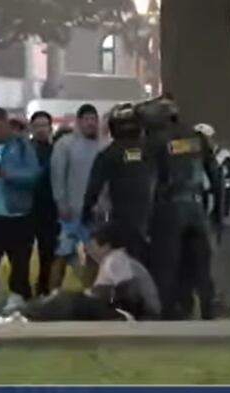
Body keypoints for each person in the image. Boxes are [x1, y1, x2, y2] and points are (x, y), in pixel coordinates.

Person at [138, 95, 222, 321]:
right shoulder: (196, 137)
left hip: (169, 208)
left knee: (168, 264)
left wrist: (145, 220)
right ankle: (208, 309)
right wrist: (218, 213)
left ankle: (170, 314)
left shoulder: (155, 140)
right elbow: (216, 175)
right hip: (196, 207)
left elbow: (149, 182)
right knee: (200, 264)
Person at [20, 222, 160, 322]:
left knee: (69, 299)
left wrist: (95, 298)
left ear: (106, 246)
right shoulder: (115, 260)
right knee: (67, 298)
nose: (89, 250)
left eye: (92, 245)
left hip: (137, 315)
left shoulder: (115, 259)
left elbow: (129, 295)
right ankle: (29, 311)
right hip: (132, 312)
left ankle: (26, 312)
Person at [0, 107, 41, 315]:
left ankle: (17, 295)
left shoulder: (22, 145)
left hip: (18, 213)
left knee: (20, 258)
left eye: (0, 127)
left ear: (7, 126)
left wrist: (7, 174)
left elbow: (33, 175)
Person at [83, 102, 155, 263]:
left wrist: (85, 215)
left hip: (121, 221)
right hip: (152, 220)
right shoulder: (151, 150)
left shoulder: (109, 154)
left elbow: (93, 189)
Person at [50, 103, 102, 290]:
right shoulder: (65, 144)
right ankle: (53, 293)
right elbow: (57, 176)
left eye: (93, 119)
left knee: (94, 255)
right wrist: (61, 203)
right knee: (62, 254)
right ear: (79, 122)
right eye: (87, 119)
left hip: (95, 211)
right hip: (71, 210)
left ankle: (90, 293)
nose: (91, 124)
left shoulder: (102, 146)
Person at [29, 111, 59, 296]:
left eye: (44, 125)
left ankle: (44, 289)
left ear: (50, 128)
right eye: (37, 125)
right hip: (27, 207)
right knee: (22, 254)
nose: (41, 129)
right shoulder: (25, 150)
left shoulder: (56, 151)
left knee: (48, 252)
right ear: (32, 128)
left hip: (50, 209)